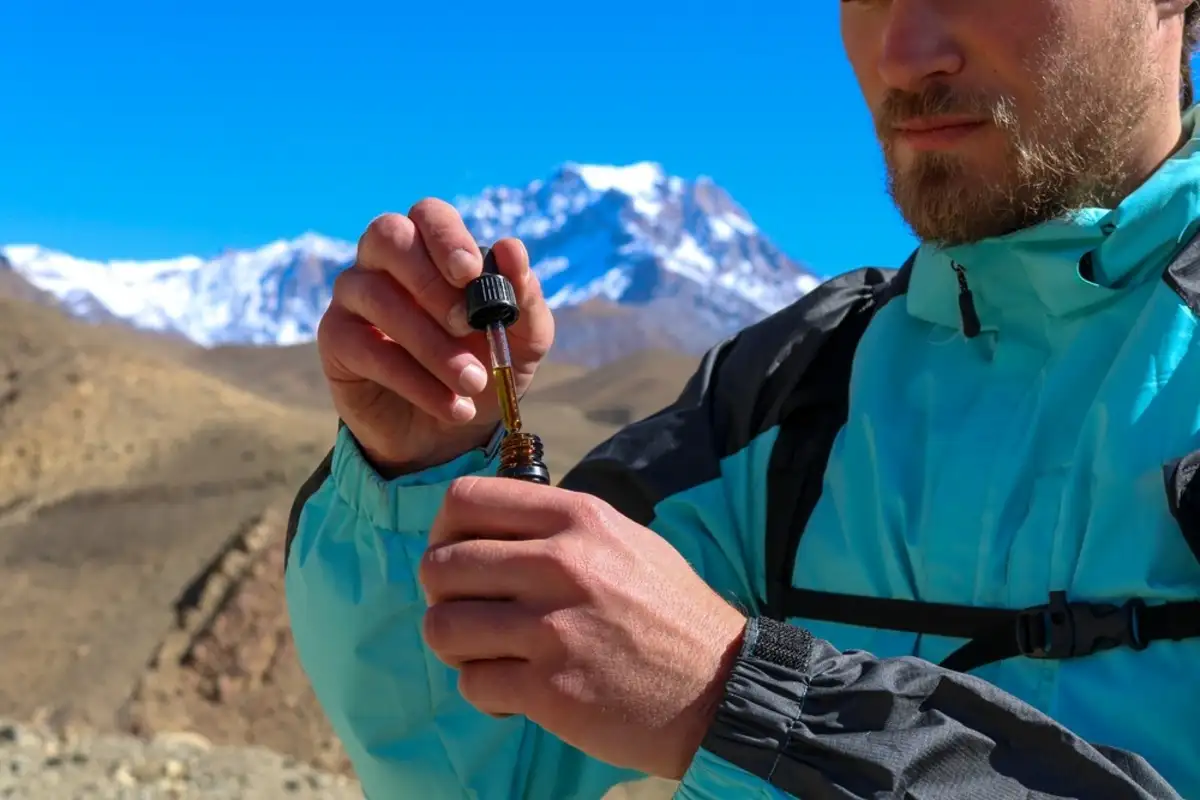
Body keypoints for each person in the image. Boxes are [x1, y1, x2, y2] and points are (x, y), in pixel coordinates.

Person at [284, 1, 1200, 797]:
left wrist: (748, 700)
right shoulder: (784, 392)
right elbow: (490, 768)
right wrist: (420, 472)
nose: (903, 54)